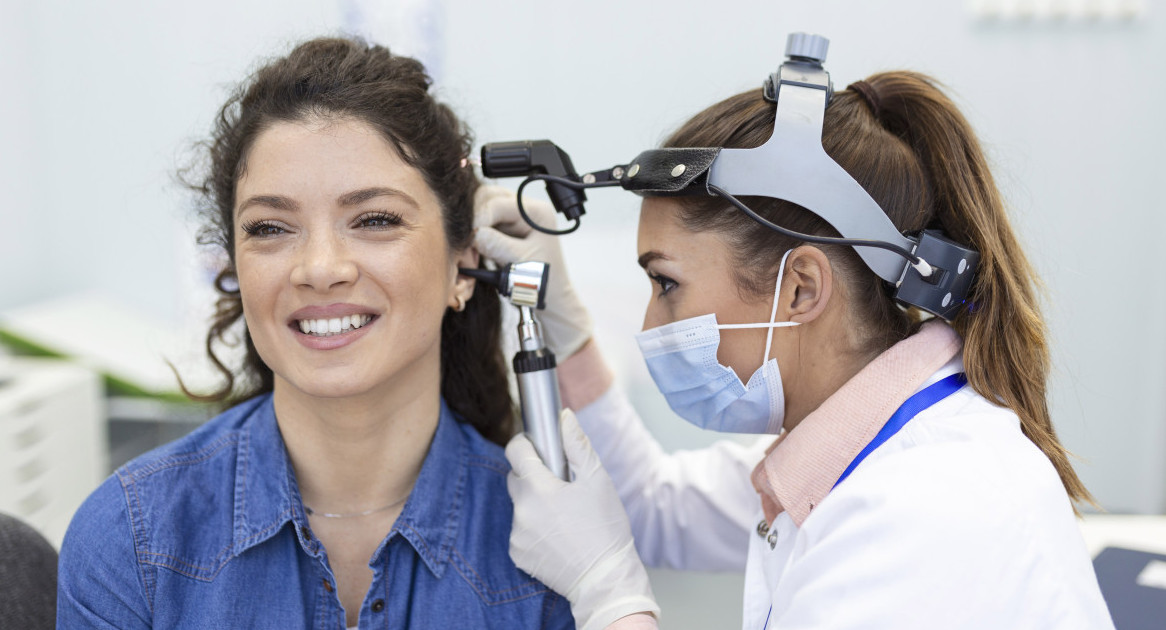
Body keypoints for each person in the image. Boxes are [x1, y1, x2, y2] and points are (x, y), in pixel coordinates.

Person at [476, 66, 1115, 628]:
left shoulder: (924, 507)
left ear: (800, 290)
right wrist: (566, 325)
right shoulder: (857, 447)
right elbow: (650, 505)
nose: (651, 323)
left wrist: (607, 595)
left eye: (666, 283)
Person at [56, 38, 573, 629]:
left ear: (463, 266)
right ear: (234, 268)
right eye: (271, 228)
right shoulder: (130, 541)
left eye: (375, 219)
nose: (321, 268)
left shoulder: (552, 546)